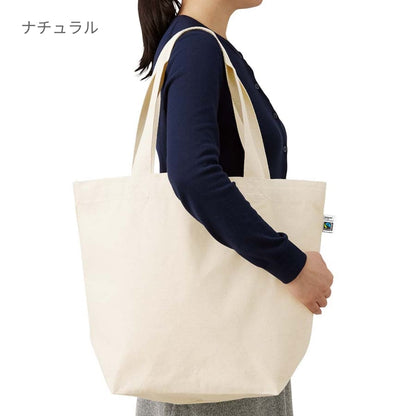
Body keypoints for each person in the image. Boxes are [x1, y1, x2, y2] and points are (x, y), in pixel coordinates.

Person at [134, 1, 334, 415]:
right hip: (220, 336)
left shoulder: (204, 48)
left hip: (222, 323)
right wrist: (292, 265)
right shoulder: (197, 49)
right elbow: (194, 177)